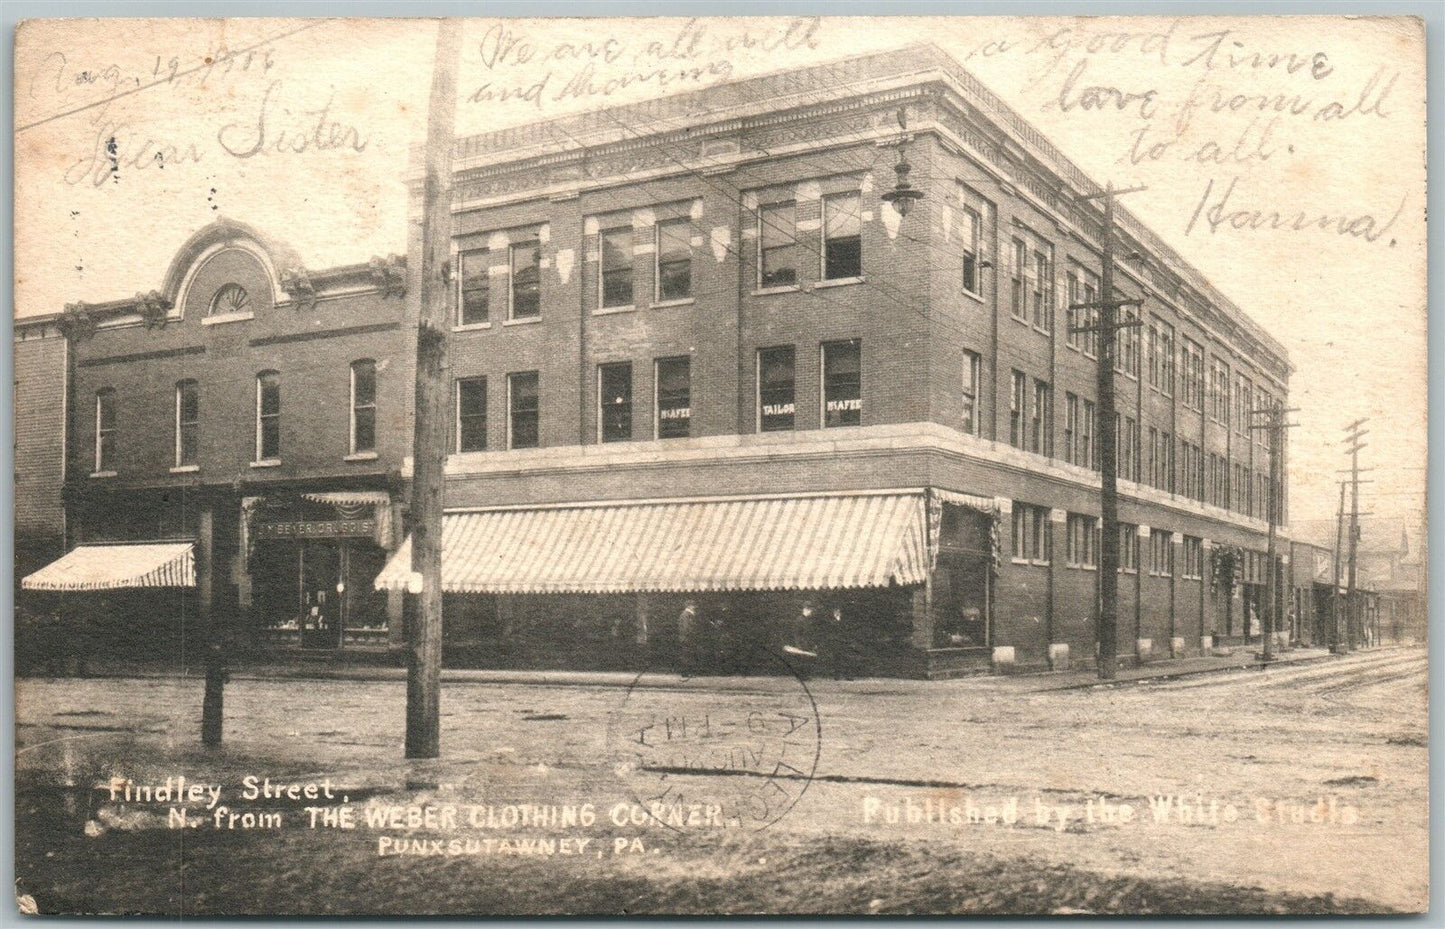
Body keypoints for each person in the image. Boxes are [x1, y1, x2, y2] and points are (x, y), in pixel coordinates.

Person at [676, 600, 700, 675]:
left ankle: (686, 672)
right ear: (689, 606)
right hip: (687, 638)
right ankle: (686, 672)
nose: (694, 608)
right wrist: (692, 634)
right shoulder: (686, 615)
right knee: (687, 655)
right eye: (693, 606)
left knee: (687, 654)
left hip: (685, 638)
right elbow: (686, 627)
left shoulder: (685, 614)